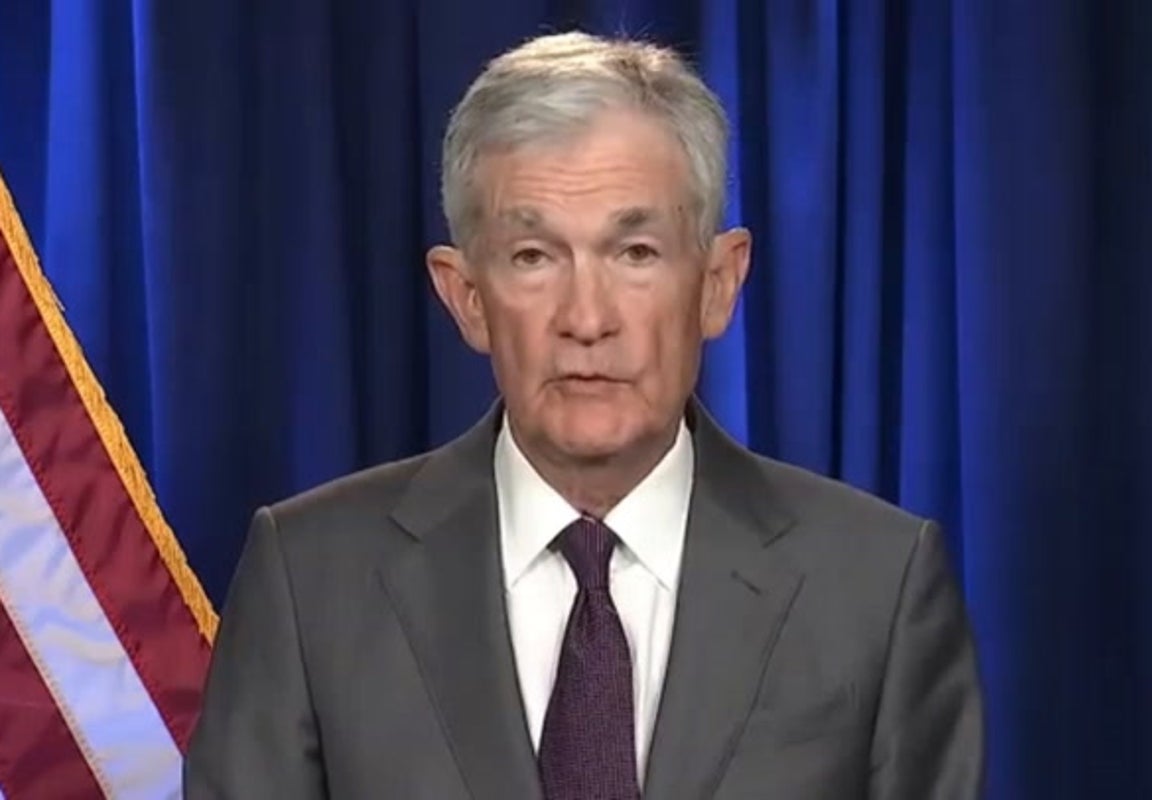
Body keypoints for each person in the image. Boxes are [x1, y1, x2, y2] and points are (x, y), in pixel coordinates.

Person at [184, 31, 984, 800]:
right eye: (534, 257)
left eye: (636, 253)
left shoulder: (876, 587)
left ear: (717, 284)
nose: (587, 318)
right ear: (466, 298)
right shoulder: (310, 581)